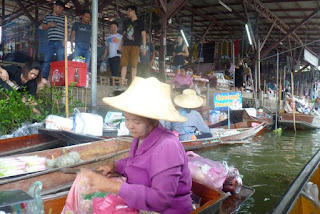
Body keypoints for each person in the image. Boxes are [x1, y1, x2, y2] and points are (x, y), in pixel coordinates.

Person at [62, 77, 193, 213]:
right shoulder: (141, 137)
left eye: (136, 121)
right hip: (139, 200)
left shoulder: (167, 146)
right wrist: (113, 165)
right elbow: (135, 164)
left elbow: (161, 200)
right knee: (83, 180)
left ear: (153, 121)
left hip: (164, 210)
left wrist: (114, 186)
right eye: (126, 118)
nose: (129, 125)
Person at [120, 6, 146, 82]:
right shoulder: (126, 22)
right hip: (126, 45)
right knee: (124, 64)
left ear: (134, 11)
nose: (128, 13)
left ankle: (133, 83)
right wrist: (121, 45)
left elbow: (143, 35)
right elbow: (124, 34)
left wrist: (144, 47)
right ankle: (123, 81)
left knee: (134, 65)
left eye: (129, 11)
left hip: (136, 45)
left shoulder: (140, 22)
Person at [41, 0, 66, 80]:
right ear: (54, 6)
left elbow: (66, 29)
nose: (60, 10)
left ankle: (60, 80)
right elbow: (43, 27)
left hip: (60, 43)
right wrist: (49, 25)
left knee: (61, 62)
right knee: (46, 61)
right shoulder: (47, 16)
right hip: (50, 42)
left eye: (62, 9)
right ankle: (43, 80)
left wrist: (65, 40)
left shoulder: (63, 18)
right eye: (59, 8)